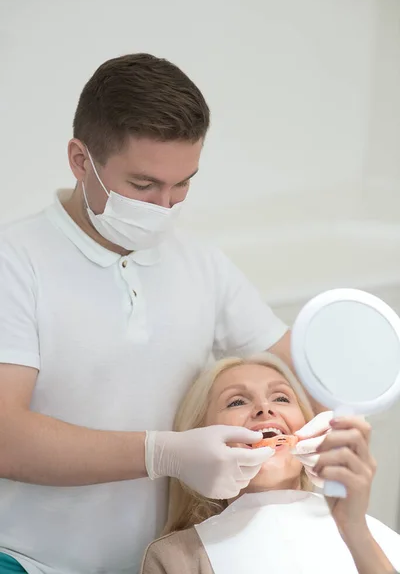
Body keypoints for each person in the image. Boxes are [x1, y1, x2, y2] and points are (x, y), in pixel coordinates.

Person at [0, 54, 293, 574]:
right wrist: (163, 454)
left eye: (183, 184)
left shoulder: (202, 264)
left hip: (159, 563)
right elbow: (4, 435)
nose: (165, 205)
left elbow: (303, 377)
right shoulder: (16, 261)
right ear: (80, 159)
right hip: (26, 560)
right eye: (143, 186)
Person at [140, 353, 400, 574]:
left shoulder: (373, 534)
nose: (264, 408)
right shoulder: (176, 558)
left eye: (281, 398)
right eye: (237, 401)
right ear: (200, 437)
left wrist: (355, 531)